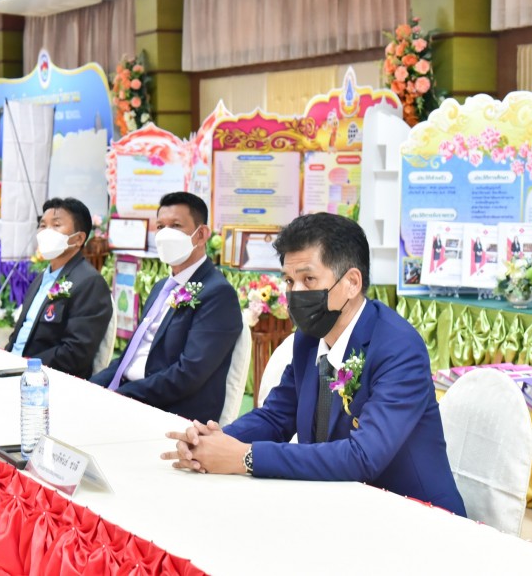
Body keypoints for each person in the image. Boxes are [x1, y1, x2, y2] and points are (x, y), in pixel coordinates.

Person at [162, 213, 466, 517]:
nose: (295, 293)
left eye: (308, 279)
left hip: (416, 515)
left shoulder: (399, 348)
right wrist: (214, 442)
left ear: (352, 282)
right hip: (336, 502)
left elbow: (363, 456)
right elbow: (276, 416)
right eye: (289, 281)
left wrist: (245, 457)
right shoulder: (308, 339)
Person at [91, 192, 242, 422]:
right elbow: (131, 355)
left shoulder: (217, 294)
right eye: (160, 226)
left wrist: (122, 396)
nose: (165, 234)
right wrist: (91, 387)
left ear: (201, 234)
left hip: (169, 411)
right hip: (129, 395)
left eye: (176, 226)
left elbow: (188, 374)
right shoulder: (161, 286)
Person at [6, 197, 113, 379]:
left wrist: (24, 367)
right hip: (13, 368)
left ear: (78, 238)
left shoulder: (89, 283)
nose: (46, 232)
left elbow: (75, 353)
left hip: (45, 378)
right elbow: (21, 332)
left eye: (56, 225)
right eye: (43, 225)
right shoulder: (42, 278)